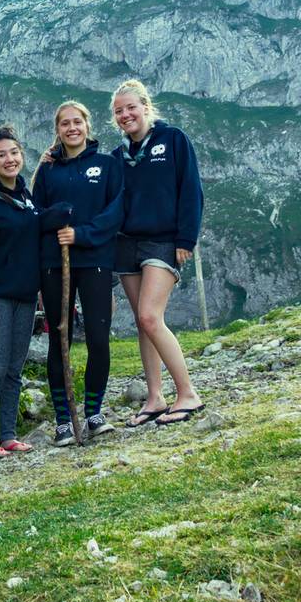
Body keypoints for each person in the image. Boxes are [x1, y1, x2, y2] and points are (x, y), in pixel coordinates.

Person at [109, 79, 205, 427]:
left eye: (130, 107)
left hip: (163, 242)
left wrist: (186, 240)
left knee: (151, 317)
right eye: (118, 111)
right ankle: (154, 397)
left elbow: (191, 189)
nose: (125, 115)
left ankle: (188, 393)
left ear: (146, 107)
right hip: (126, 244)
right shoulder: (117, 157)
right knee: (142, 322)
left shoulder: (173, 139)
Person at [32, 101, 124, 445]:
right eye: (65, 124)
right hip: (55, 264)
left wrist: (81, 234)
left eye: (77, 122)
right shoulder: (48, 170)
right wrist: (55, 217)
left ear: (87, 125)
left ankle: (94, 413)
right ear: (58, 130)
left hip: (95, 260)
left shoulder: (107, 165)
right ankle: (63, 420)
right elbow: (36, 213)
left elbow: (115, 211)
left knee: (98, 338)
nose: (72, 128)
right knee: (60, 338)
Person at [0, 126, 54, 458]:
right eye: (1, 155)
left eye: (14, 152)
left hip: (25, 296)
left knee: (14, 370)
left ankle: (9, 435)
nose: (9, 159)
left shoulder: (27, 200)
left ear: (21, 155)